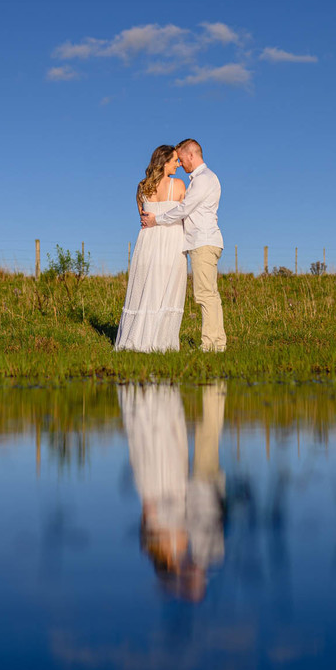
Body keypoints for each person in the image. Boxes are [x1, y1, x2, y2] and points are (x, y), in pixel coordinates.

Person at [120, 382, 226, 603]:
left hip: (169, 484)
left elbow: (152, 511)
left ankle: (156, 401)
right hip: (184, 485)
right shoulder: (198, 552)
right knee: (180, 439)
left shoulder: (166, 545)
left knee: (165, 441)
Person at [140, 138, 225, 352]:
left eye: (181, 159)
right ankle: (215, 342)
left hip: (203, 241)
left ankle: (212, 344)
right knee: (208, 293)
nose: (180, 164)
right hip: (201, 241)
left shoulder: (204, 179)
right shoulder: (200, 179)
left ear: (190, 155)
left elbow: (185, 208)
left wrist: (156, 220)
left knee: (206, 294)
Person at [114, 145, 188, 352]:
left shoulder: (142, 187)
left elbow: (143, 217)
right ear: (164, 163)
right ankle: (162, 342)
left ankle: (137, 338)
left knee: (146, 288)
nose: (179, 164)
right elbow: (185, 214)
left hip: (147, 242)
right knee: (166, 289)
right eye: (175, 161)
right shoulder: (179, 185)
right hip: (172, 242)